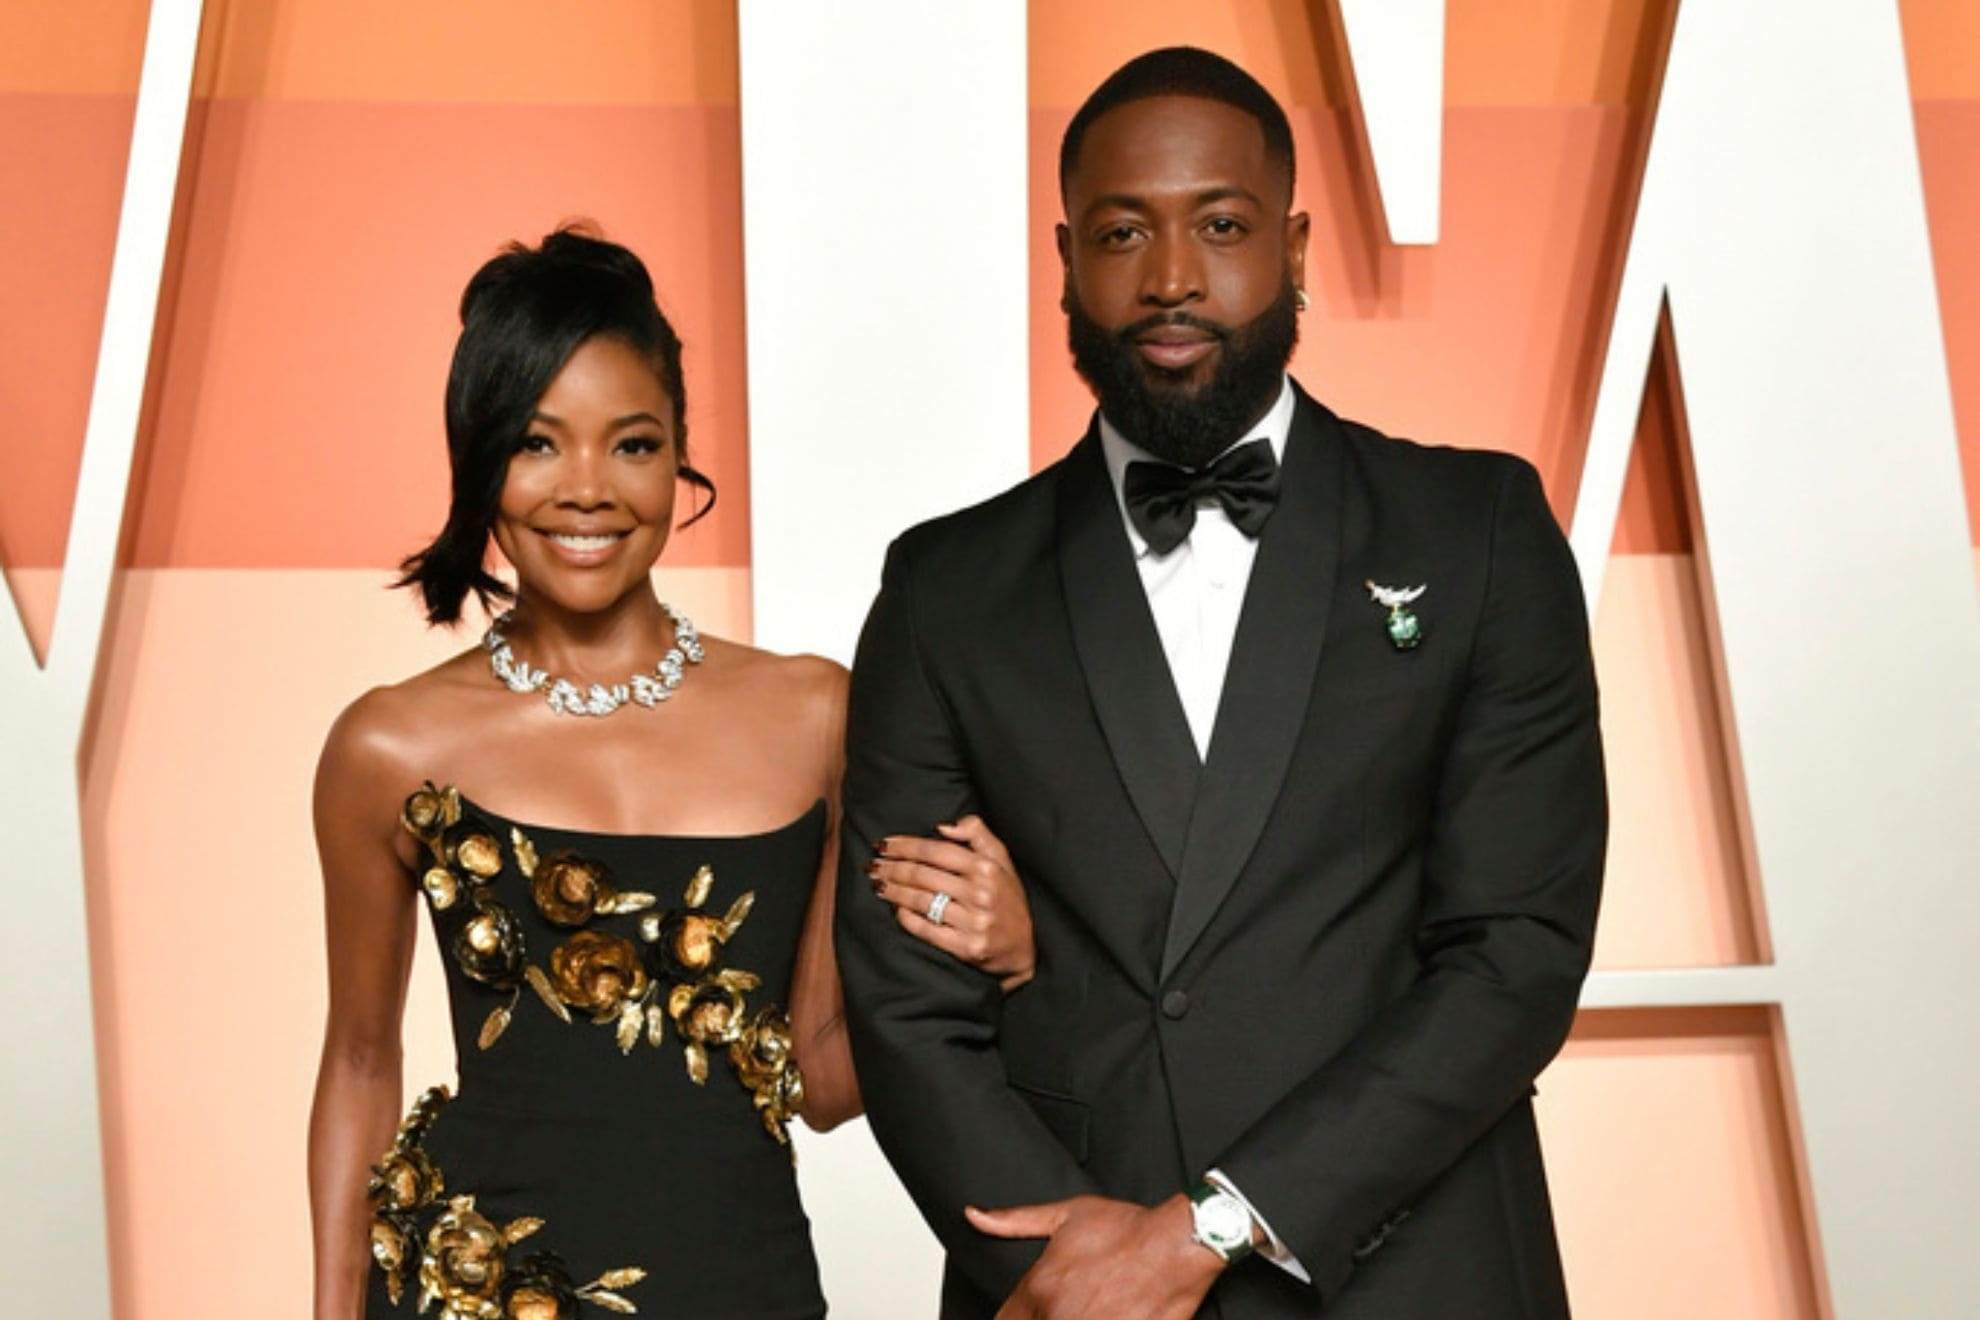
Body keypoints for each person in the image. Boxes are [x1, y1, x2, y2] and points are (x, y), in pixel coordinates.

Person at [838, 47, 1606, 1319]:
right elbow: (905, 1002)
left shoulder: (1476, 532)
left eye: (1223, 226)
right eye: (1122, 232)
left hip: (1416, 1268)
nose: (1172, 278)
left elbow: (1513, 954)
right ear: (1065, 259)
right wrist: (1069, 1268)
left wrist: (1209, 1228)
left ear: (1295, 249)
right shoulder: (946, 588)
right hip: (1071, 1280)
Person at [306, 229, 1037, 1319]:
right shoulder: (390, 747)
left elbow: (822, 1079)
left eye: (633, 445)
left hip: (743, 1289)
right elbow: (361, 1064)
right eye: (538, 444)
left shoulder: (818, 715)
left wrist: (1005, 963)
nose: (587, 490)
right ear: (480, 459)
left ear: (679, 456)